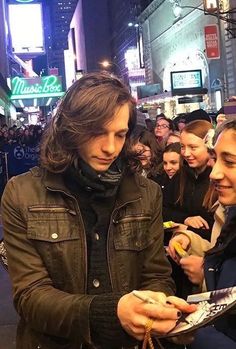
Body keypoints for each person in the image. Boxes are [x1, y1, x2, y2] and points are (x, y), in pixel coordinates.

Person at [1, 72, 195, 349]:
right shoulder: (22, 193)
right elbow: (30, 296)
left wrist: (156, 307)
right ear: (70, 129)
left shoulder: (146, 193)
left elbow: (156, 276)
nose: (110, 147)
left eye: (120, 134)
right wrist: (111, 312)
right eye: (96, 132)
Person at [163, 120, 215, 241]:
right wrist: (185, 219)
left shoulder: (218, 179)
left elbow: (219, 233)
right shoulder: (180, 175)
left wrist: (185, 229)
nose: (186, 153)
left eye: (193, 147)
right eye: (182, 147)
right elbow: (163, 209)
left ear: (209, 147)